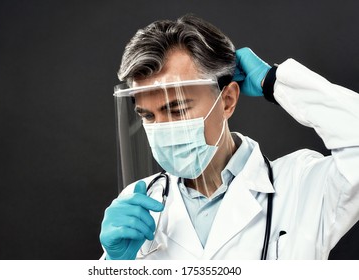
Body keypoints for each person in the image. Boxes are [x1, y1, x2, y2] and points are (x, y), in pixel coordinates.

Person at [99, 14, 359, 260]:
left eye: (177, 109)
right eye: (148, 116)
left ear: (227, 100)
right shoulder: (138, 204)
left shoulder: (304, 185)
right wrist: (113, 265)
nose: (162, 128)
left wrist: (274, 82)